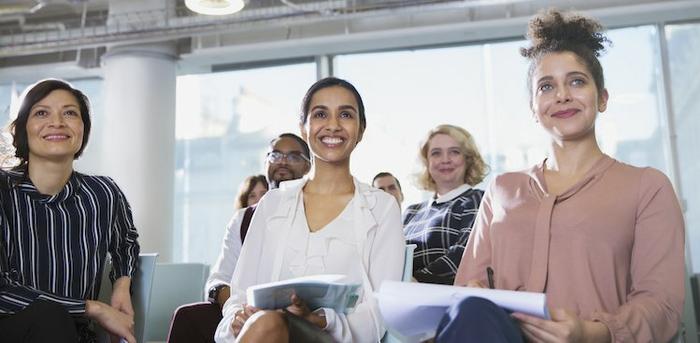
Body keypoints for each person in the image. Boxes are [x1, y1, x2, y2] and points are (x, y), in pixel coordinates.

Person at [438, 10, 685, 343]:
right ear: (533, 107)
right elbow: (469, 288)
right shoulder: (501, 189)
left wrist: (589, 333)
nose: (562, 95)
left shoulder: (647, 187)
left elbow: (662, 305)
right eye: (546, 86)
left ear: (602, 98)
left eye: (577, 81)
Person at [214, 77, 405, 342]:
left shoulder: (381, 208)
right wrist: (238, 316)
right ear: (304, 128)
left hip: (334, 338)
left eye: (346, 114)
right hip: (262, 332)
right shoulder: (272, 204)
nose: (333, 125)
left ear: (361, 129)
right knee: (266, 323)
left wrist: (319, 319)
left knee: (268, 323)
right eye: (320, 114)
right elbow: (240, 292)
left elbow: (380, 310)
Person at [0, 79, 140, 343]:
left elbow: (126, 241)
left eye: (70, 113)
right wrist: (93, 308)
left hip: (74, 336)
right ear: (21, 130)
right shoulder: (2, 190)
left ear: (83, 129)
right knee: (48, 317)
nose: (57, 122)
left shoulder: (103, 193)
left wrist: (122, 284)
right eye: (42, 113)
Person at [167, 133, 311, 343]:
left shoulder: (314, 212)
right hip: (243, 306)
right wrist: (236, 313)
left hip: (296, 312)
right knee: (188, 316)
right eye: (276, 155)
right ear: (265, 163)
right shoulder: (244, 218)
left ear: (309, 167)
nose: (282, 161)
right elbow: (219, 279)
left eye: (293, 157)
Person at [402, 124, 487, 285]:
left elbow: (465, 253)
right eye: (436, 153)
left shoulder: (478, 200)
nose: (445, 160)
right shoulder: (411, 212)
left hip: (449, 298)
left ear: (468, 159)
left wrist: (416, 281)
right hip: (404, 296)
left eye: (454, 152)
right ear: (427, 162)